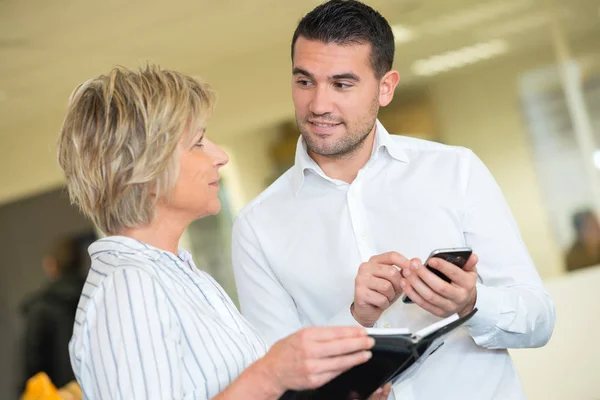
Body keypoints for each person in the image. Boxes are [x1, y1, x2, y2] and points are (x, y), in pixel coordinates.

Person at [231, 1, 556, 399]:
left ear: (385, 87)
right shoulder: (256, 226)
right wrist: (354, 318)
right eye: (304, 82)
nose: (318, 104)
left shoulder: (455, 171)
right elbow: (279, 381)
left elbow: (539, 320)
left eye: (342, 84)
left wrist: (472, 303)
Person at [56, 65, 390, 400]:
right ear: (144, 168)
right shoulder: (129, 286)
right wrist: (270, 374)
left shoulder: (178, 277)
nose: (220, 156)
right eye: (198, 143)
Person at [20, 236, 85, 393]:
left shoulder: (41, 309)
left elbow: (33, 369)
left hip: (61, 394)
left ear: (51, 265)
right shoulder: (97, 296)